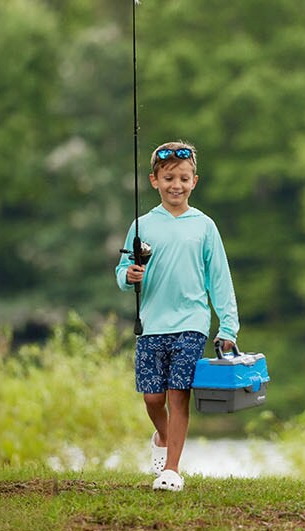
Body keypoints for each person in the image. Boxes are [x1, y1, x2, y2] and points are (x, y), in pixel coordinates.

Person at [115, 140, 240, 492]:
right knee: (153, 398)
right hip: (151, 324)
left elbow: (220, 280)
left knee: (177, 393)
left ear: (194, 181)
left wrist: (227, 326)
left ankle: (171, 470)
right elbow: (123, 270)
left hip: (191, 323)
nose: (176, 185)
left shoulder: (204, 226)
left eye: (183, 178)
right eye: (169, 177)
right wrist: (129, 275)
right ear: (154, 180)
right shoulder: (142, 225)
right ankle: (163, 437)